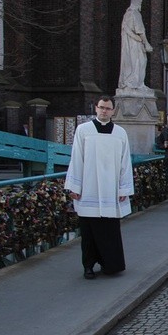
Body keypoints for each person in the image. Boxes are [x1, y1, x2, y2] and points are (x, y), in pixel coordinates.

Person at [65, 95, 134, 280]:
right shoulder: (84, 130)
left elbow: (125, 163)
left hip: (111, 189)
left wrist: (123, 189)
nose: (104, 111)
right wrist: (74, 187)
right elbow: (77, 159)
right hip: (89, 187)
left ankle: (110, 264)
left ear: (113, 110)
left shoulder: (120, 133)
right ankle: (88, 265)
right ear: (96, 108)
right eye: (101, 107)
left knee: (109, 230)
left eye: (108, 108)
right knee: (88, 232)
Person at [118, 0, 153, 91]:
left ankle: (130, 82)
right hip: (136, 44)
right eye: (140, 4)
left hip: (128, 45)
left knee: (130, 62)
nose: (140, 6)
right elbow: (140, 30)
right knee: (140, 61)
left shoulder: (126, 14)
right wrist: (146, 43)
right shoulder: (135, 13)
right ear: (137, 4)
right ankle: (137, 83)